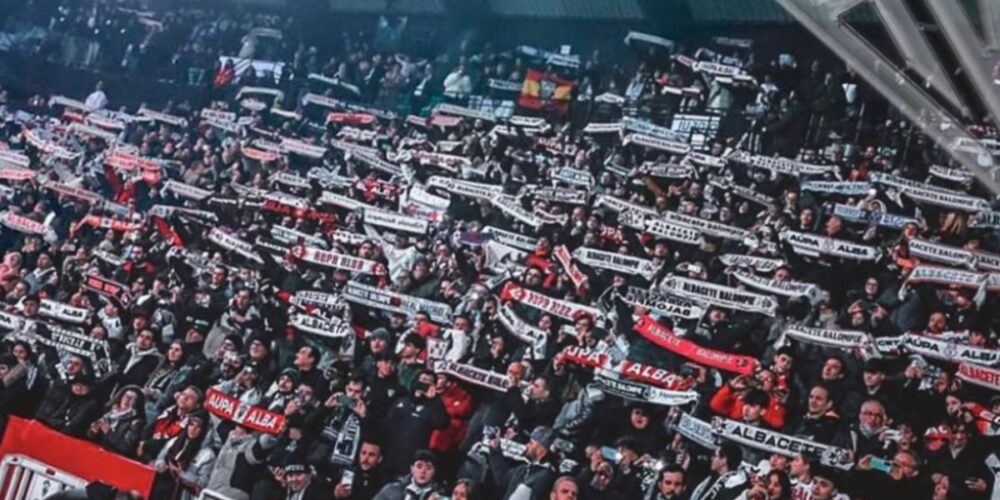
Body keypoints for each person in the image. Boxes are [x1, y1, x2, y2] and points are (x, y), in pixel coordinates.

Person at [372, 449, 442, 500]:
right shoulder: (392, 490)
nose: (423, 471)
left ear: (434, 471)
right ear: (412, 468)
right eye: (419, 466)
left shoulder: (440, 495)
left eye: (428, 468)